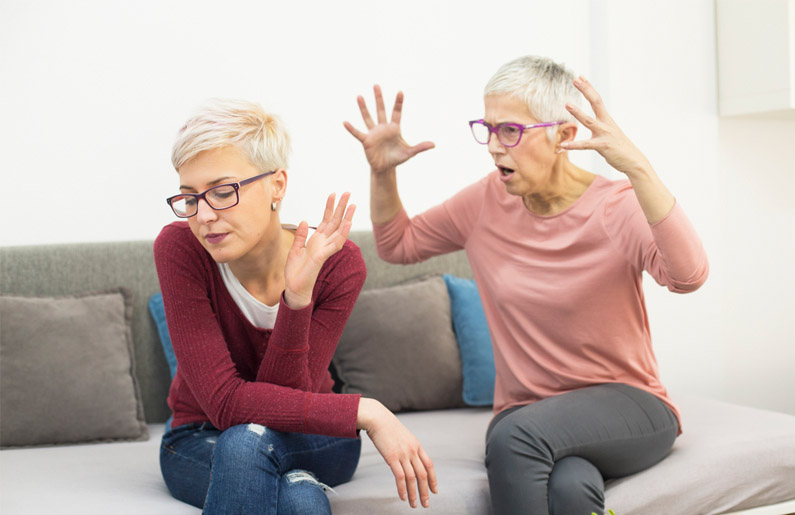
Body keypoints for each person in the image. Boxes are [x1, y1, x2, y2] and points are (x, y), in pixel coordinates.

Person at [344, 55, 709, 514]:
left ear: (565, 135)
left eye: (511, 131)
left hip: (629, 405)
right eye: (489, 128)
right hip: (524, 410)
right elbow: (398, 245)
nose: (495, 146)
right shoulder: (483, 203)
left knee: (517, 439)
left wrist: (637, 168)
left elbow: (688, 276)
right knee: (569, 487)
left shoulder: (615, 207)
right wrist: (383, 171)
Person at [155, 99, 437, 514]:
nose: (204, 216)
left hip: (315, 437)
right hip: (201, 435)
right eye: (190, 198)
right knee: (295, 496)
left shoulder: (337, 264)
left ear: (277, 185)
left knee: (247, 442)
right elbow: (224, 404)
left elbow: (288, 397)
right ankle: (302, 487)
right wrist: (365, 410)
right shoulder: (180, 249)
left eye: (221, 192)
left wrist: (297, 298)